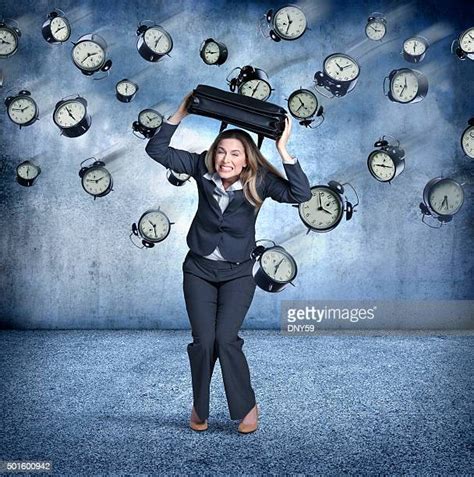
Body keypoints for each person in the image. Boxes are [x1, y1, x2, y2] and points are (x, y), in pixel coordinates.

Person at [145, 91, 312, 434]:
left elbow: (301, 194)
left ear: (247, 160)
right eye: (221, 151)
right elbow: (156, 150)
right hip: (199, 270)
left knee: (225, 338)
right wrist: (180, 111)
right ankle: (200, 405)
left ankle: (246, 405)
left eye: (235, 154)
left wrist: (283, 150)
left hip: (238, 273)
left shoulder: (260, 182)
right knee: (203, 341)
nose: (226, 159)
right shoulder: (198, 167)